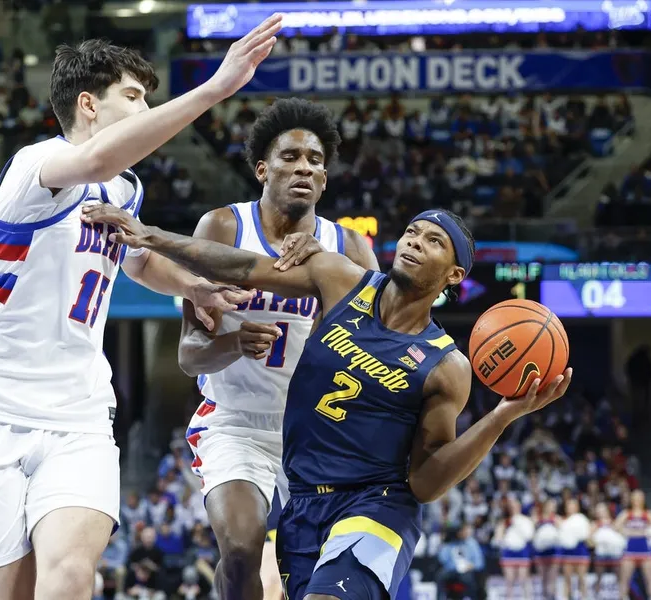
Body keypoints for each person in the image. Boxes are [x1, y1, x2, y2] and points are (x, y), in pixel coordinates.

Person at [0, 16, 283, 600]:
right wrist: (214, 89)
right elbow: (93, 162)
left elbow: (137, 262)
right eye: (134, 96)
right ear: (89, 104)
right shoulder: (34, 167)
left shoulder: (125, 190)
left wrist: (193, 287)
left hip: (80, 410)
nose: (146, 109)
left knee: (72, 573)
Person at [80, 203, 573, 599]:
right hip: (304, 503)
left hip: (377, 505)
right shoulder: (341, 280)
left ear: (454, 274)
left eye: (433, 241)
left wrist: (502, 415)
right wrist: (153, 237)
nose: (415, 242)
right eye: (412, 232)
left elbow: (425, 482)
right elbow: (242, 265)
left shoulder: (446, 366)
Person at [177, 98, 378, 600]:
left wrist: (330, 282)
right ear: (262, 169)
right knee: (241, 547)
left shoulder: (350, 249)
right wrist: (233, 342)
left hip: (316, 432)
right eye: (290, 157)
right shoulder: (224, 228)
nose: (304, 167)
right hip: (235, 422)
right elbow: (189, 355)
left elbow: (380, 349)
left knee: (308, 574)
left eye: (315, 160)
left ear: (325, 179)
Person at [614, 489, 651, 600]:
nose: (637, 500)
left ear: (643, 499)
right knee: (624, 579)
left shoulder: (648, 513)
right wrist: (626, 532)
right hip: (630, 550)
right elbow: (616, 526)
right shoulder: (626, 513)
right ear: (631, 499)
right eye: (635, 498)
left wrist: (647, 532)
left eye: (640, 498)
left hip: (645, 550)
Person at [493, 497, 534, 600]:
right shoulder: (504, 521)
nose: (513, 508)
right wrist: (502, 535)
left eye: (515, 506)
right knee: (509, 580)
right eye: (511, 506)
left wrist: (517, 524)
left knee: (523, 579)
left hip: (522, 552)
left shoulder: (525, 520)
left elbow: (529, 536)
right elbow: (498, 539)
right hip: (508, 552)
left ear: (519, 507)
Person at [558, 498, 591, 600]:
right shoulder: (562, 520)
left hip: (580, 550)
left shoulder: (582, 519)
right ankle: (566, 597)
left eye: (573, 505)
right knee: (567, 578)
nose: (571, 507)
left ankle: (584, 597)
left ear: (577, 507)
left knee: (582, 578)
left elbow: (586, 534)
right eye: (569, 505)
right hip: (567, 552)